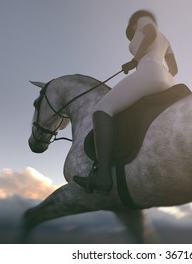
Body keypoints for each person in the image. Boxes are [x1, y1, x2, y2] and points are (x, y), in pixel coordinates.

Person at [73, 10, 178, 195]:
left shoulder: (142, 21)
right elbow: (175, 69)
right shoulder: (167, 39)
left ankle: (103, 176)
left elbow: (151, 33)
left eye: (130, 31)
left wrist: (135, 61)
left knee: (101, 110)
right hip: (167, 79)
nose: (129, 34)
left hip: (148, 72)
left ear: (133, 24)